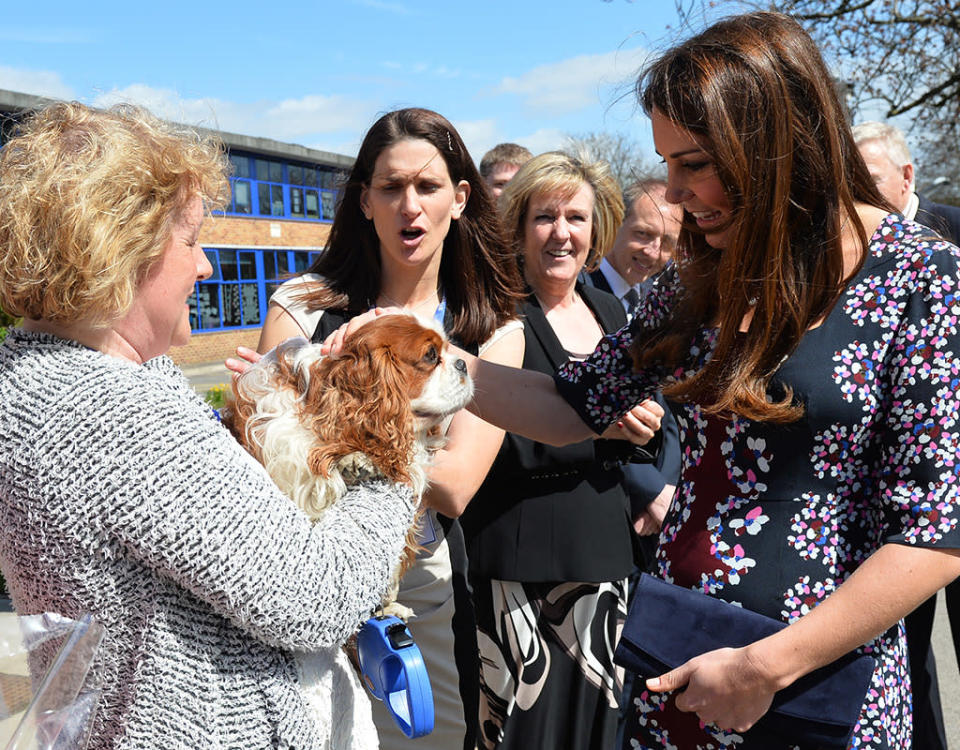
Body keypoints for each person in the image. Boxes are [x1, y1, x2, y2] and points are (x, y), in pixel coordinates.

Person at [367, 12, 959, 748]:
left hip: (819, 696)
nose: (673, 193)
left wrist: (766, 667)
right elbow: (569, 404)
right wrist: (412, 356)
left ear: (775, 145)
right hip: (676, 673)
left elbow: (932, 535)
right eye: (666, 163)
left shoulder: (921, 278)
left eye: (695, 163)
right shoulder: (701, 277)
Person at [0, 102, 416, 750]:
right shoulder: (113, 413)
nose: (207, 268)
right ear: (120, 247)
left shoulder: (33, 382)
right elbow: (319, 595)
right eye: (190, 239)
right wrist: (394, 450)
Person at [246, 107, 527, 750]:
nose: (410, 206)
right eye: (391, 187)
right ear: (364, 201)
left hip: (417, 594)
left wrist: (333, 413)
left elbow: (455, 486)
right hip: (296, 575)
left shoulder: (490, 331)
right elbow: (265, 444)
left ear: (459, 199)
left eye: (428, 188)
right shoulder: (303, 304)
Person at [460, 151, 640, 749]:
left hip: (608, 562)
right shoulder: (495, 316)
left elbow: (655, 424)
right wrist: (597, 430)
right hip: (520, 567)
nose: (562, 232)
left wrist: (648, 426)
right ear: (519, 226)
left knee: (595, 731)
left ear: (598, 228)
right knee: (521, 734)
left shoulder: (613, 310)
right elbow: (488, 438)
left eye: (577, 217)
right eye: (545, 217)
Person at [853, 119, 960, 750]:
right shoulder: (852, 253)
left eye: (868, 180)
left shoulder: (951, 241)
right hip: (897, 500)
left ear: (907, 176)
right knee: (905, 658)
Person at [853, 120, 960, 243]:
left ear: (906, 176)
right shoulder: (838, 241)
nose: (856, 193)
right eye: (848, 185)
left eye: (869, 182)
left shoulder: (954, 227)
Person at [585, 178, 682, 309]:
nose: (653, 254)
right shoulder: (577, 293)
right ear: (616, 224)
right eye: (643, 233)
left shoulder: (659, 300)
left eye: (667, 242)